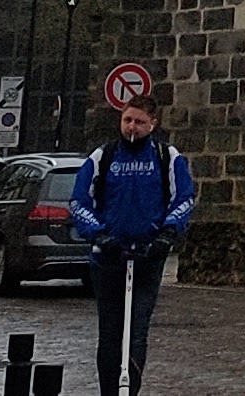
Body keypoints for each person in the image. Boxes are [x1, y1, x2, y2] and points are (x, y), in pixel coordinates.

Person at [69, 99, 195, 396]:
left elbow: (184, 198)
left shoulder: (167, 157)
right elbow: (79, 201)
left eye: (139, 122)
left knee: (136, 333)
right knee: (110, 333)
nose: (132, 127)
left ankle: (130, 390)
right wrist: (99, 235)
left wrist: (167, 233)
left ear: (152, 124)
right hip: (108, 259)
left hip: (147, 258)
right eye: (127, 120)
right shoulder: (103, 156)